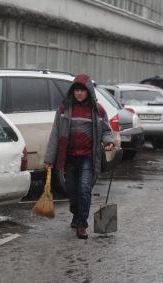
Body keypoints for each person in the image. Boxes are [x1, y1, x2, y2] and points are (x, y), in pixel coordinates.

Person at [44, 74, 116, 239]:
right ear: (72, 91)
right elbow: (55, 134)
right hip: (68, 157)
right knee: (72, 192)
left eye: (82, 91)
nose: (79, 94)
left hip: (87, 158)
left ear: (89, 92)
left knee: (84, 189)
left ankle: (82, 225)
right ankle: (76, 214)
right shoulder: (64, 109)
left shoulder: (98, 110)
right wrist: (49, 159)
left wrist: (108, 142)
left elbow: (105, 130)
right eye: (76, 90)